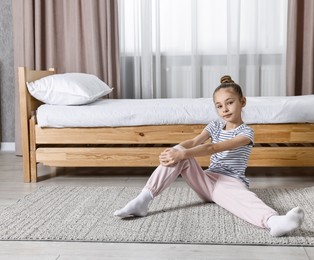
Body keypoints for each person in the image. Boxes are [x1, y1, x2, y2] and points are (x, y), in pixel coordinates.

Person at [114, 75, 304, 237]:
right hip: (207, 180)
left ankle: (273, 221)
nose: (225, 109)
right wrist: (176, 151)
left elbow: (214, 148)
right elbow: (193, 142)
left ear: (242, 102)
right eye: (219, 106)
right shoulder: (214, 125)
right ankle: (143, 200)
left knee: (244, 201)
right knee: (180, 150)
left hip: (230, 182)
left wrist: (182, 153)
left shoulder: (246, 133)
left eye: (230, 103)